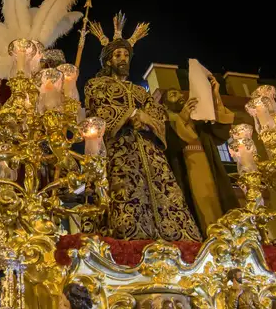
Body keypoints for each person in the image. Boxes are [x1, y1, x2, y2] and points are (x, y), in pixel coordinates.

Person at [84, 13, 201, 241]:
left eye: (126, 54)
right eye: (117, 54)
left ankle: (178, 240)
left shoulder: (139, 91)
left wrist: (148, 119)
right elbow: (99, 109)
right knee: (126, 195)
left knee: (166, 196)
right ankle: (131, 241)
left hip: (149, 151)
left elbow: (157, 112)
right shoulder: (96, 85)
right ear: (108, 60)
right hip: (121, 150)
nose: (123, 59)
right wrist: (133, 114)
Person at [162, 82, 240, 233]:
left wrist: (215, 95)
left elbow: (221, 132)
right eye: (172, 95)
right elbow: (172, 145)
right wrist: (183, 116)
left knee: (220, 206)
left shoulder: (200, 124)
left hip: (212, 172)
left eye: (179, 93)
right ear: (165, 106)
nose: (178, 96)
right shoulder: (167, 127)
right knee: (201, 211)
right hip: (189, 175)